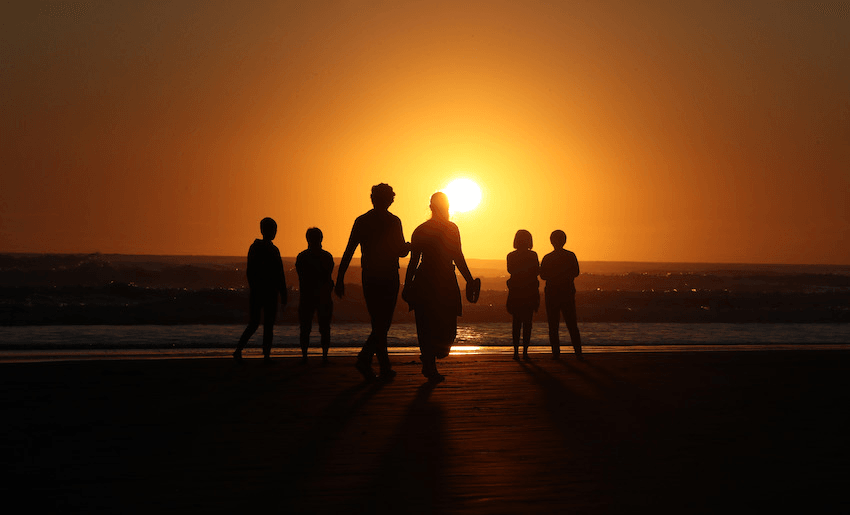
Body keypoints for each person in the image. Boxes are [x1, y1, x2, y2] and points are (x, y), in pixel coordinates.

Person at [336, 183, 410, 381]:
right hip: (388, 276)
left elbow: (349, 250)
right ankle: (366, 358)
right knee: (382, 323)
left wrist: (340, 277)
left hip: (369, 276)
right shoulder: (394, 221)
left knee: (378, 322)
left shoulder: (362, 221)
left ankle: (383, 367)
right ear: (389, 199)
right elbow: (400, 251)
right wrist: (409, 246)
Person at [403, 192, 477, 381]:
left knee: (427, 325)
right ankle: (430, 365)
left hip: (427, 279)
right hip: (441, 280)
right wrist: (469, 279)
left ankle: (430, 358)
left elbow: (413, 263)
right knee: (444, 325)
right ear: (446, 207)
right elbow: (458, 257)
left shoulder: (421, 230)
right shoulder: (450, 228)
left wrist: (408, 284)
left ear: (431, 207)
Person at [234, 217, 288, 362]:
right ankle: (250, 351)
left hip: (262, 291)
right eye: (273, 230)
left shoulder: (258, 247)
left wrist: (282, 292)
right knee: (259, 323)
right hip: (265, 291)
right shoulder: (265, 249)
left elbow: (252, 271)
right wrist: (283, 292)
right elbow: (278, 273)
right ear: (265, 231)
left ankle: (260, 353)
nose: (274, 232)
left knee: (260, 323)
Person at [539, 230, 582, 359]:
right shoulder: (570, 256)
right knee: (571, 323)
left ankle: (556, 353)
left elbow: (543, 275)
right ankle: (578, 353)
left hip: (552, 293)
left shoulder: (547, 257)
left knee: (553, 325)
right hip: (567, 292)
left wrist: (554, 276)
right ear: (564, 241)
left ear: (551, 241)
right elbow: (576, 272)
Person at [295, 227, 334, 364]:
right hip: (323, 296)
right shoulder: (327, 256)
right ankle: (324, 356)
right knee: (325, 327)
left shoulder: (302, 257)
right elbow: (328, 277)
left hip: (307, 295)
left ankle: (305, 356)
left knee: (305, 327)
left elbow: (301, 277)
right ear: (321, 239)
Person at [506, 229, 540, 360]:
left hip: (516, 292)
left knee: (516, 322)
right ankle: (525, 351)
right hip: (529, 292)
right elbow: (536, 271)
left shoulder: (511, 256)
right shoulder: (533, 255)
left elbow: (511, 270)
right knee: (527, 322)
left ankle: (516, 351)